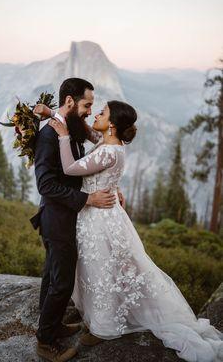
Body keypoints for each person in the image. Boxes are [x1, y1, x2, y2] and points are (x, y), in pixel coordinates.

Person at [47, 100, 223, 362]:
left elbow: (70, 168)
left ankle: (104, 327)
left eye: (102, 112)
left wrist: (62, 137)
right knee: (100, 267)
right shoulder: (109, 142)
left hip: (99, 218)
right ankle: (100, 315)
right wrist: (55, 113)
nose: (97, 113)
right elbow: (91, 132)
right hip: (103, 213)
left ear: (113, 124)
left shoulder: (108, 151)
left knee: (101, 269)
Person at [32, 78, 123, 362]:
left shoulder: (65, 125)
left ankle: (52, 325)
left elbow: (88, 148)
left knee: (52, 275)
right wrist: (87, 200)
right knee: (62, 282)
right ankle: (45, 342)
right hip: (57, 219)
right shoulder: (50, 135)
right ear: (70, 102)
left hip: (63, 217)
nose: (89, 110)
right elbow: (45, 185)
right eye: (87, 105)